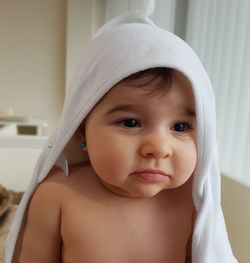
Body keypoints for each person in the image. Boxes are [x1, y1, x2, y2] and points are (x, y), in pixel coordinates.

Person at [6, 12, 238, 263]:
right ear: (82, 128)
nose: (159, 148)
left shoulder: (192, 203)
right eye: (131, 122)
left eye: (180, 127)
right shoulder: (56, 196)